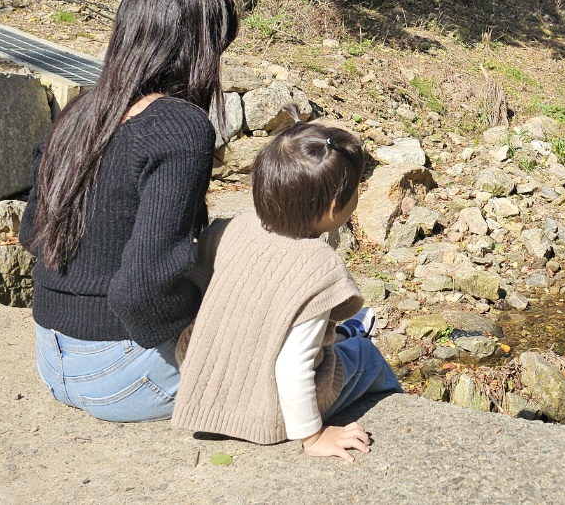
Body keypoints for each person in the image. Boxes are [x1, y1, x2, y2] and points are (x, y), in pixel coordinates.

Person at [20, 0, 238, 422]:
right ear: (198, 48)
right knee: (346, 361)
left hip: (52, 357)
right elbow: (141, 289)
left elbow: (32, 235)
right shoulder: (179, 126)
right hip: (121, 374)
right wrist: (196, 333)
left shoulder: (81, 111)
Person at [171, 119, 400, 459]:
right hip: (266, 407)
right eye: (356, 190)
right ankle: (398, 407)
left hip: (207, 383)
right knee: (366, 357)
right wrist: (314, 436)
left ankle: (342, 334)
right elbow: (292, 366)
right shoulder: (318, 266)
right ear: (335, 206)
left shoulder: (232, 228)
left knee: (318, 334)